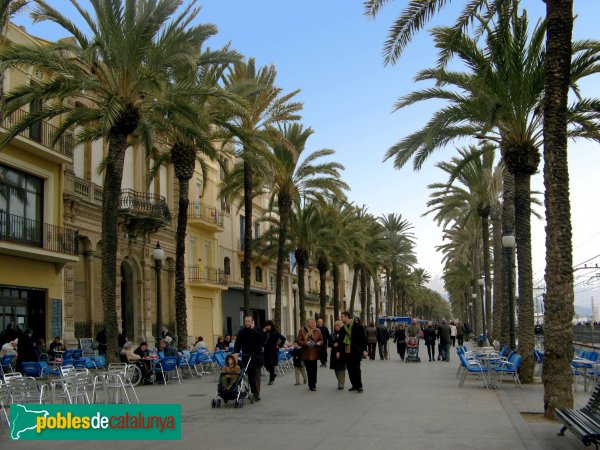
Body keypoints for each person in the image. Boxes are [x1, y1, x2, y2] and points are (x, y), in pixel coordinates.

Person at [234, 316, 265, 401]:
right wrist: (236, 352)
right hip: (247, 357)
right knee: (251, 377)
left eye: (249, 321)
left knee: (256, 377)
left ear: (252, 322)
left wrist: (253, 329)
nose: (247, 323)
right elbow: (238, 343)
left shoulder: (257, 330)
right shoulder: (242, 332)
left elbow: (262, 338)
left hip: (257, 357)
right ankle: (253, 392)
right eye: (246, 321)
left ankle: (256, 394)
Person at [339, 312, 367, 393]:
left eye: (342, 317)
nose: (341, 318)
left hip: (356, 351)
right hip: (347, 352)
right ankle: (354, 385)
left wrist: (364, 350)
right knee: (350, 370)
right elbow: (341, 341)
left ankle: (359, 386)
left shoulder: (358, 326)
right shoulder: (342, 328)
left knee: (357, 369)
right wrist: (339, 352)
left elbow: (363, 339)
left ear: (347, 317)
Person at [296, 317, 323, 392]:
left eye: (314, 322)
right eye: (312, 322)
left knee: (314, 369)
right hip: (306, 353)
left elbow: (322, 340)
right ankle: (311, 384)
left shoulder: (318, 330)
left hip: (314, 352)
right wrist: (305, 343)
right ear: (307, 323)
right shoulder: (302, 330)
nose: (314, 323)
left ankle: (313, 383)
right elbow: (298, 341)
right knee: (309, 369)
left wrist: (319, 343)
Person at [263, 320, 286, 385]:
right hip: (266, 350)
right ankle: (272, 374)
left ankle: (271, 379)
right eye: (266, 325)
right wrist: (263, 332)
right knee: (265, 364)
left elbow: (283, 338)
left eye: (268, 325)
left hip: (273, 351)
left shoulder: (275, 332)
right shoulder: (265, 332)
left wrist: (279, 345)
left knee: (271, 364)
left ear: (271, 325)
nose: (267, 326)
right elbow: (261, 339)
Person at [330, 320, 347, 390]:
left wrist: (339, 347)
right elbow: (329, 343)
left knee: (342, 369)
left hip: (341, 352)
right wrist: (333, 344)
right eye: (335, 326)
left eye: (338, 326)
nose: (336, 327)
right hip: (334, 353)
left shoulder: (343, 333)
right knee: (336, 368)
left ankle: (341, 384)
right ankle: (339, 380)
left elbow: (344, 343)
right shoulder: (332, 334)